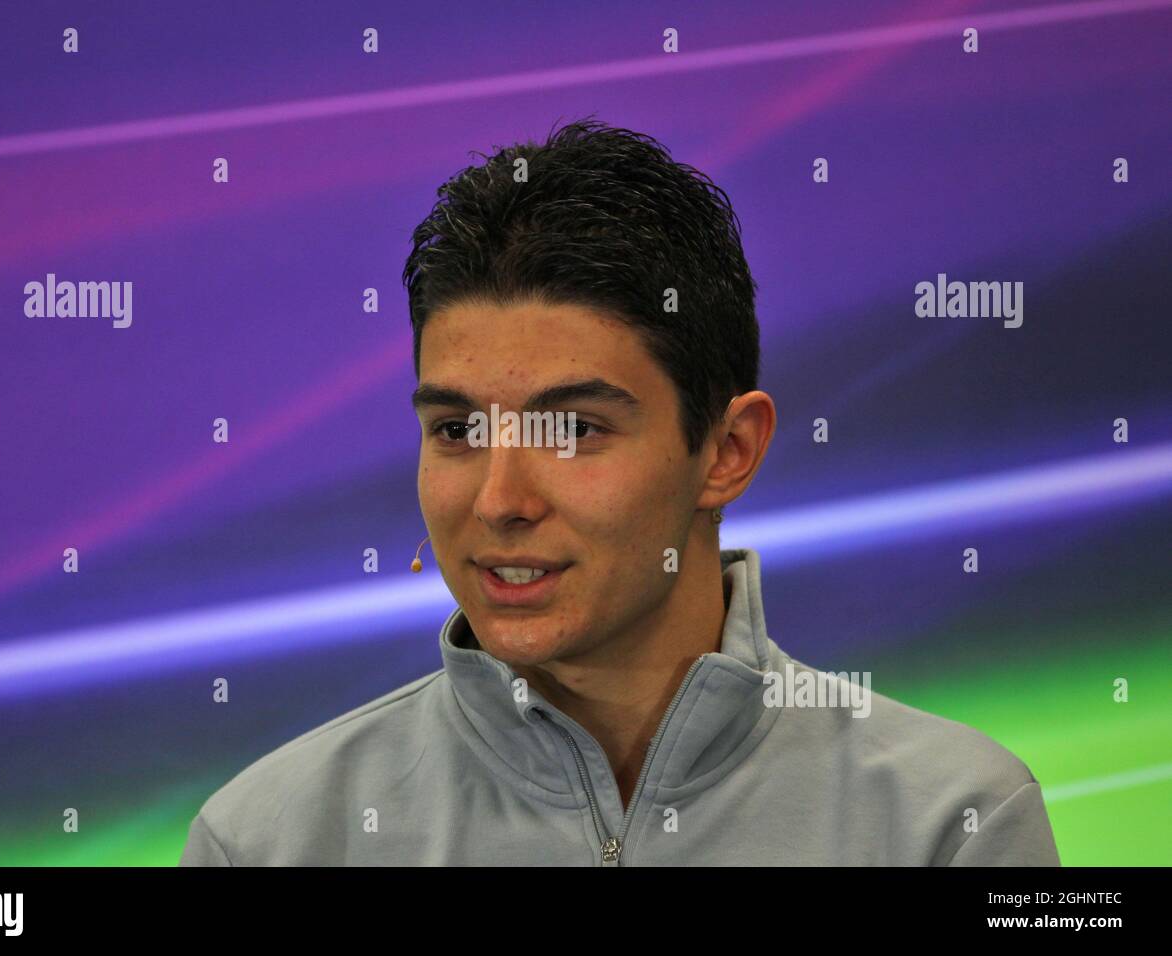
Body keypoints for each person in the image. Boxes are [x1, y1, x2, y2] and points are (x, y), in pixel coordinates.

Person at [179, 118, 1060, 865]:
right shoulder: (269, 843)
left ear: (727, 449)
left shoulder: (952, 823)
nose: (499, 500)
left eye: (572, 431)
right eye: (457, 431)